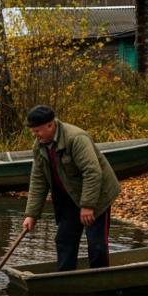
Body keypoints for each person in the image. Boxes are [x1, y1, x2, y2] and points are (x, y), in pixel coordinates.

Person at [22, 106, 122, 272]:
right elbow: (39, 180)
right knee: (64, 240)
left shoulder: (76, 138)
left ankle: (101, 279)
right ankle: (64, 278)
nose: (34, 135)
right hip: (70, 196)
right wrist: (32, 214)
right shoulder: (40, 146)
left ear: (51, 125)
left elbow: (92, 172)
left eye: (37, 130)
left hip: (97, 194)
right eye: (32, 131)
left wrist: (88, 205)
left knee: (96, 244)